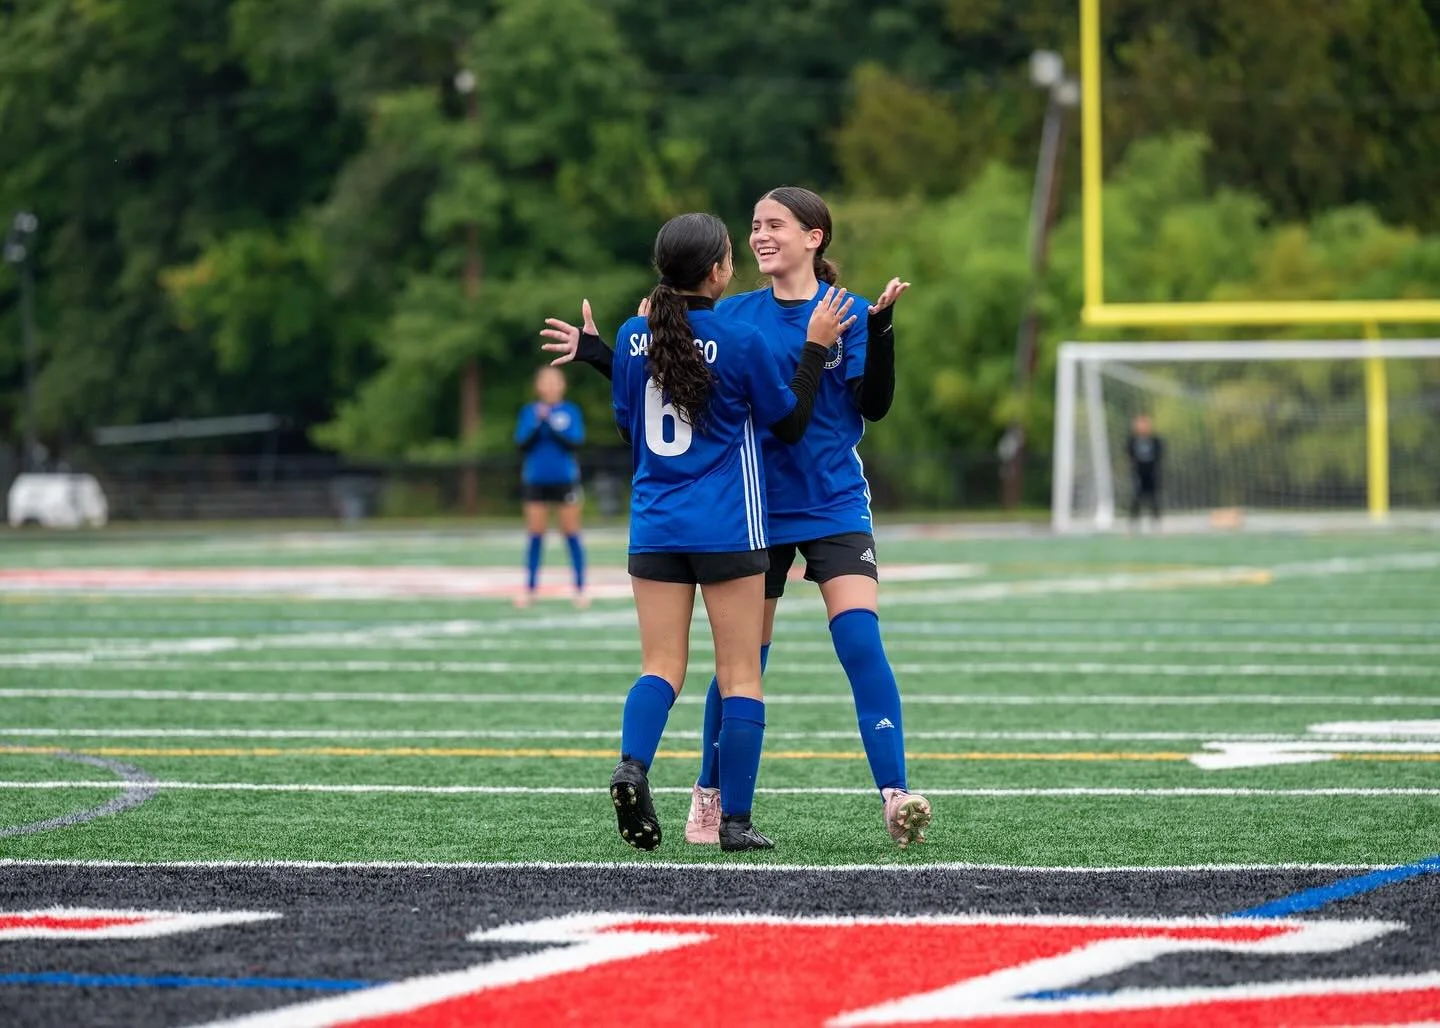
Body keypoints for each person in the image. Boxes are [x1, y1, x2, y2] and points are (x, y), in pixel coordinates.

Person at [541, 187, 932, 850]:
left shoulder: (847, 313)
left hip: (833, 500)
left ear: (816, 236)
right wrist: (608, 357)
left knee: (860, 639)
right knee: (742, 662)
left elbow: (876, 404)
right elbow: (683, 378)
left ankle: (895, 795)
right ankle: (710, 795)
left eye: (774, 223)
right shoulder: (740, 317)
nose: (760, 235)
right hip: (752, 512)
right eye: (753, 226)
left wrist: (884, 329)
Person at [590, 211, 854, 852]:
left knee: (661, 667)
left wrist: (607, 350)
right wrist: (816, 348)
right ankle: (733, 820)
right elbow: (788, 424)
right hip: (729, 527)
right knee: (741, 674)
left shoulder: (631, 335)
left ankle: (633, 765)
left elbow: (630, 427)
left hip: (653, 527)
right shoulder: (739, 338)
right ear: (717, 271)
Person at [513, 366, 588, 608]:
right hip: (535, 480)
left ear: (562, 385)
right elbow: (522, 443)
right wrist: (538, 423)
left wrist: (552, 425)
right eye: (545, 381)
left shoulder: (570, 411)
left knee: (571, 533)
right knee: (535, 534)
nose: (551, 386)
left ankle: (579, 588)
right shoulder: (529, 412)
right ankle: (531, 589)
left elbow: (574, 442)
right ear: (538, 386)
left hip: (564, 480)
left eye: (555, 381)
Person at [1126, 413, 1164, 531]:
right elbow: (1129, 455)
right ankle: (1132, 526)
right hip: (1138, 473)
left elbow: (1160, 455)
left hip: (1152, 473)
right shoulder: (1132, 440)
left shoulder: (1155, 440)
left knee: (1154, 499)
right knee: (1136, 498)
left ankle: (1157, 526)